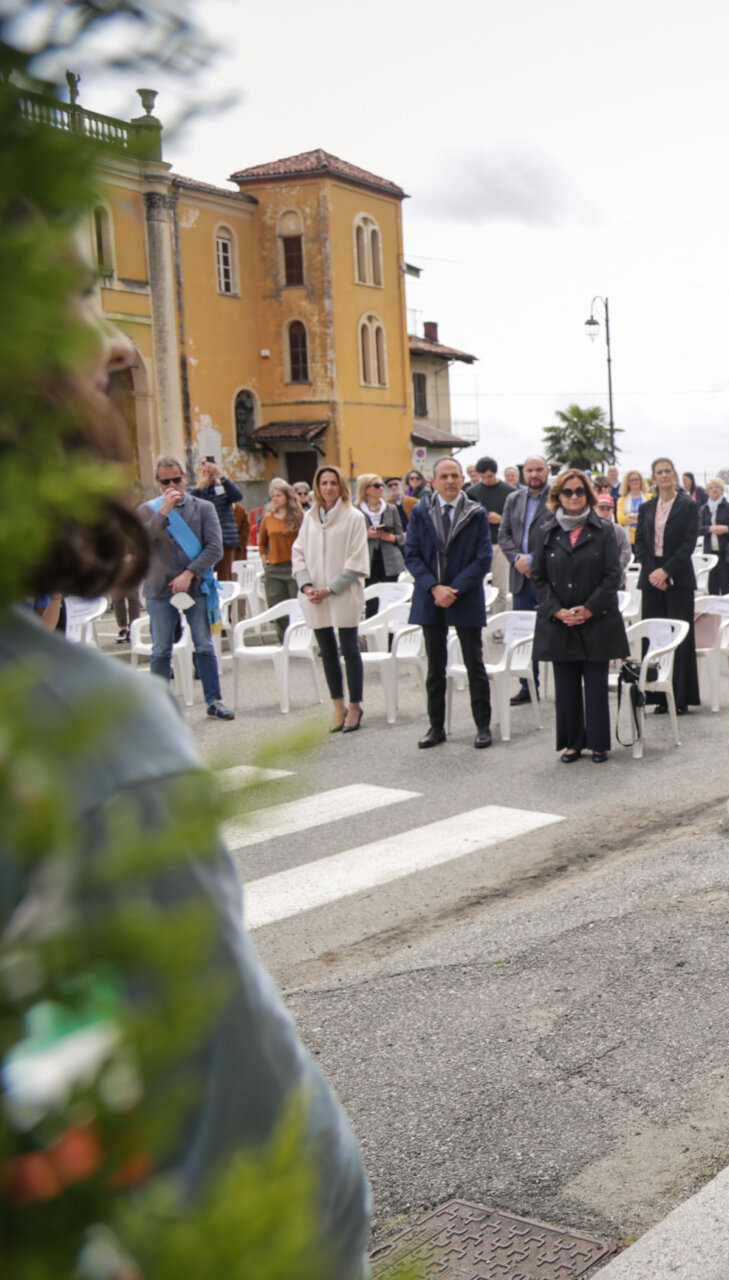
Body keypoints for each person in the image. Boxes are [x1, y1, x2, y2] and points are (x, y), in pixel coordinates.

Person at [2, 197, 369, 1273]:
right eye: (73, 292)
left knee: (200, 652)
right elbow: (232, 1154)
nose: (115, 338)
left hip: (217, 595)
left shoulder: (206, 521)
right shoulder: (73, 739)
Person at [532, 468, 629, 763]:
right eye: (567, 492)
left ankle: (599, 743)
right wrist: (556, 610)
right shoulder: (546, 531)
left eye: (579, 492)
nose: (573, 497)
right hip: (560, 622)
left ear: (587, 495)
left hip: (596, 619)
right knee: (566, 686)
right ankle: (572, 742)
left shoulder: (604, 530)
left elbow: (613, 575)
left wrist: (588, 609)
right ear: (557, 496)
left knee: (596, 685)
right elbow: (538, 577)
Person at [406, 456, 494, 748]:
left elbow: (482, 558)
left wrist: (453, 589)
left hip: (464, 595)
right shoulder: (421, 511)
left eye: (454, 475)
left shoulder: (476, 512)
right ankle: (436, 727)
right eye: (443, 476)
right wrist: (434, 587)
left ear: (462, 479)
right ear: (433, 481)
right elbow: (413, 555)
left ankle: (482, 726)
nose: (450, 481)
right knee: (435, 665)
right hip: (430, 596)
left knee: (474, 663)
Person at [139, 455, 233, 720]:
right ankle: (159, 707)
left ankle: (214, 701)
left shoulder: (203, 508)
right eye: (166, 481)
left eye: (177, 479)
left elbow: (215, 547)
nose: (172, 485)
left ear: (185, 478)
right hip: (159, 589)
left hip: (196, 586)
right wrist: (163, 513)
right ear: (158, 482)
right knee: (160, 650)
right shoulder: (148, 510)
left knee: (204, 645)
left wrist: (189, 574)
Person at [293, 466, 369, 733]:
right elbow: (298, 553)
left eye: (333, 483)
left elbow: (357, 559)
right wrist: (306, 585)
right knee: (326, 651)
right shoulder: (309, 518)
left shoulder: (354, 517)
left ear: (341, 486)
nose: (328, 488)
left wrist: (331, 588)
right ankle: (338, 705)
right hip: (314, 596)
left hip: (342, 592)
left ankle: (355, 705)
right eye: (323, 483)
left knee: (349, 649)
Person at [634, 455, 701, 713]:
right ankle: (656, 696)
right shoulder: (646, 508)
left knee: (679, 638)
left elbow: (688, 543)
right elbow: (639, 541)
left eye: (668, 471)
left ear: (674, 475)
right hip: (651, 578)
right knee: (655, 638)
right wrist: (654, 572)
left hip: (678, 576)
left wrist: (667, 572)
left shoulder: (687, 505)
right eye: (659, 472)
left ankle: (681, 697)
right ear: (654, 477)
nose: (664, 475)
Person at [500, 454, 554, 705]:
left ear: (547, 471)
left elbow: (558, 533)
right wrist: (517, 560)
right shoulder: (513, 498)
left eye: (539, 470)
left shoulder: (558, 497)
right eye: (529, 470)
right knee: (523, 633)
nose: (534, 474)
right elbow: (504, 534)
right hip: (521, 577)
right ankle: (528, 686)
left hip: (549, 576)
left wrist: (533, 559)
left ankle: (564, 686)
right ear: (523, 473)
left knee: (555, 631)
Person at [463, 456, 513, 614]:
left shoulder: (510, 492)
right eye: (483, 477)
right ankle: (478, 617)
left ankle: (497, 623)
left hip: (500, 543)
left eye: (490, 476)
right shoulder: (471, 492)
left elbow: (518, 520)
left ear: (495, 473)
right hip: (478, 543)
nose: (486, 480)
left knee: (500, 587)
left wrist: (501, 520)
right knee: (476, 584)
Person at [256, 477, 301, 638]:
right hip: (274, 568)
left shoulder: (298, 516)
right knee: (277, 607)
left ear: (288, 497)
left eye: (279, 495)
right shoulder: (268, 517)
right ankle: (283, 640)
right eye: (273, 496)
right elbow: (262, 543)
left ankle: (298, 639)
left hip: (293, 566)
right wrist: (264, 561)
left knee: (296, 606)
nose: (275, 499)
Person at [357, 472, 406, 619]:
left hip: (390, 561)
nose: (381, 488)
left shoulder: (390, 508)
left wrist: (390, 537)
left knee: (391, 601)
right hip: (368, 562)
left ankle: (391, 638)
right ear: (366, 489)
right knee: (371, 602)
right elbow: (349, 539)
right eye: (377, 485)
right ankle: (373, 637)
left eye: (382, 485)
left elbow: (401, 536)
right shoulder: (356, 511)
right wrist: (366, 535)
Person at [190, 454, 245, 581]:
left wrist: (221, 476)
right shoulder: (196, 490)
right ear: (198, 469)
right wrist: (202, 483)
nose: (208, 467)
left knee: (224, 577)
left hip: (225, 538)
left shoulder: (223, 487)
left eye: (211, 464)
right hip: (203, 540)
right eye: (203, 464)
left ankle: (226, 600)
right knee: (204, 577)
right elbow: (191, 504)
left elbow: (237, 496)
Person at [701, 477, 729, 595]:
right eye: (711, 488)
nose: (714, 490)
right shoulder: (704, 509)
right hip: (710, 552)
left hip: (726, 552)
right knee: (712, 587)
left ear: (722, 490)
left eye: (717, 487)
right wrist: (709, 529)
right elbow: (697, 528)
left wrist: (726, 529)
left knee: (727, 587)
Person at [594, 494, 634, 575]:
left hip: (615, 576)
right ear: (594, 509)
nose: (605, 512)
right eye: (601, 508)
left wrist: (614, 569)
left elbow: (626, 553)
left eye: (608, 509)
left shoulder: (619, 530)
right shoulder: (588, 530)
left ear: (612, 510)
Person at [615, 468, 649, 545]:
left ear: (641, 481)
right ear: (627, 482)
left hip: (646, 537)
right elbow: (621, 520)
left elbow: (650, 517)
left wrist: (631, 516)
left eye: (636, 479)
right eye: (631, 480)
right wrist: (641, 517)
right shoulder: (621, 500)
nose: (634, 482)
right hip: (628, 539)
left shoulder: (649, 497)